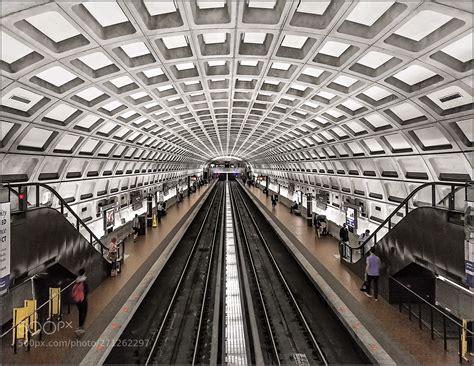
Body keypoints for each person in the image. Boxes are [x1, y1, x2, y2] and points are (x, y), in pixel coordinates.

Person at [71, 268, 88, 334]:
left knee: (80, 313)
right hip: (82, 300)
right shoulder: (84, 281)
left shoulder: (77, 280)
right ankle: (81, 327)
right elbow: (86, 291)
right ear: (84, 273)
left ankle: (80, 327)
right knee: (84, 313)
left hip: (77, 300)